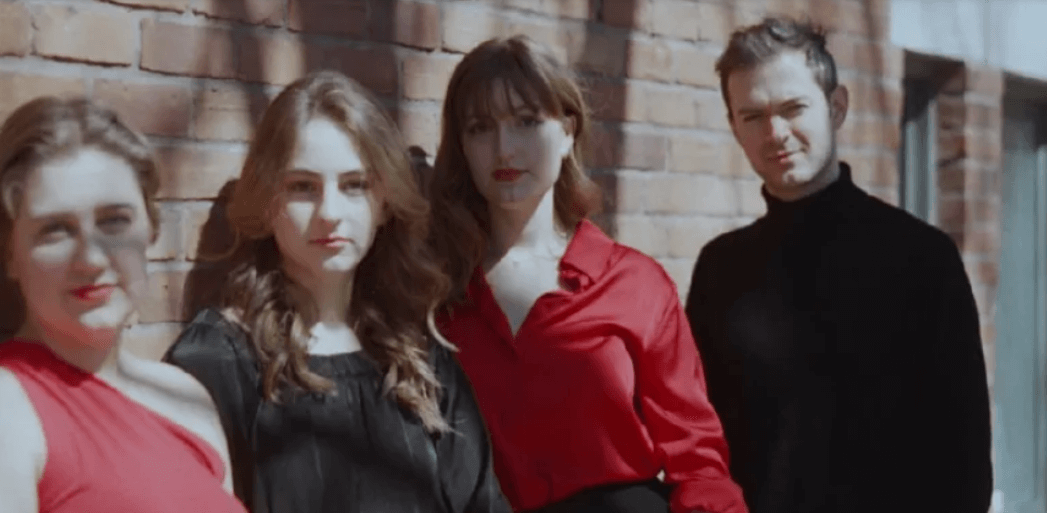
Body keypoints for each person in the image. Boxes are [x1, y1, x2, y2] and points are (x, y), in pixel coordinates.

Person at [163, 70, 511, 513]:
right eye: (302, 187)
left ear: (384, 204)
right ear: (267, 203)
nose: (329, 212)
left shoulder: (419, 354)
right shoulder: (216, 363)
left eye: (354, 185)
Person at [685, 16, 993, 513]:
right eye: (753, 116)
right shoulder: (720, 270)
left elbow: (964, 462)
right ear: (734, 128)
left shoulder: (921, 259)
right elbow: (700, 442)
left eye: (793, 108)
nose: (775, 133)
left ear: (836, 107)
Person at [427, 35, 747, 513]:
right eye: (480, 128)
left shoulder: (635, 284)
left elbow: (697, 460)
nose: (504, 149)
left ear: (567, 132)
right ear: (461, 145)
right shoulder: (435, 291)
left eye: (527, 121)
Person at [0, 96, 247, 513]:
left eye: (114, 220)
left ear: (150, 231)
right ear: (10, 254)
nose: (91, 258)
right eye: (55, 230)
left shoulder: (184, 396)